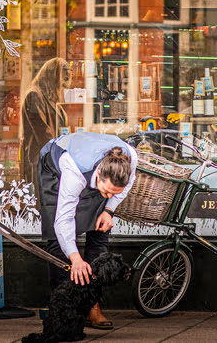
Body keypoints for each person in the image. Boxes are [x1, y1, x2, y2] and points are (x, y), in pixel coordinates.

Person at [37, 131, 137, 330]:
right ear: (99, 175)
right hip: (55, 169)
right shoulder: (74, 169)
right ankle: (64, 307)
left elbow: (123, 189)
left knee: (100, 232)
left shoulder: (129, 160)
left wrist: (109, 209)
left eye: (112, 193)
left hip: (95, 171)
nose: (109, 195)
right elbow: (63, 219)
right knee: (59, 241)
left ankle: (92, 306)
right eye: (107, 191)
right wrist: (75, 257)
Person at [20, 57, 71, 191]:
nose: (62, 87)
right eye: (62, 81)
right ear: (52, 76)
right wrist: (62, 150)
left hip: (50, 159)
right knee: (40, 204)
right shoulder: (34, 95)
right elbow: (42, 132)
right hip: (40, 160)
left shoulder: (50, 98)